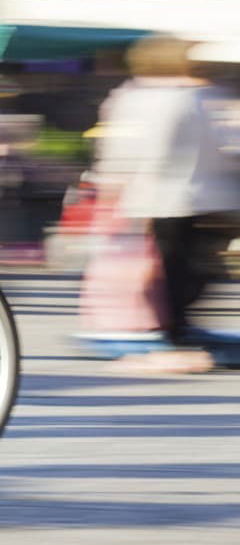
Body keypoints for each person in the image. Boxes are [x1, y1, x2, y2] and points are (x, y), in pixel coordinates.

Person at [85, 36, 240, 371]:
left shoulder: (133, 96)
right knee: (194, 269)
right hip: (207, 197)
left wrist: (114, 187)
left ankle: (175, 329)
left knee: (172, 269)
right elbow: (226, 144)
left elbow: (122, 149)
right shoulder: (202, 95)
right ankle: (177, 329)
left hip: (159, 198)